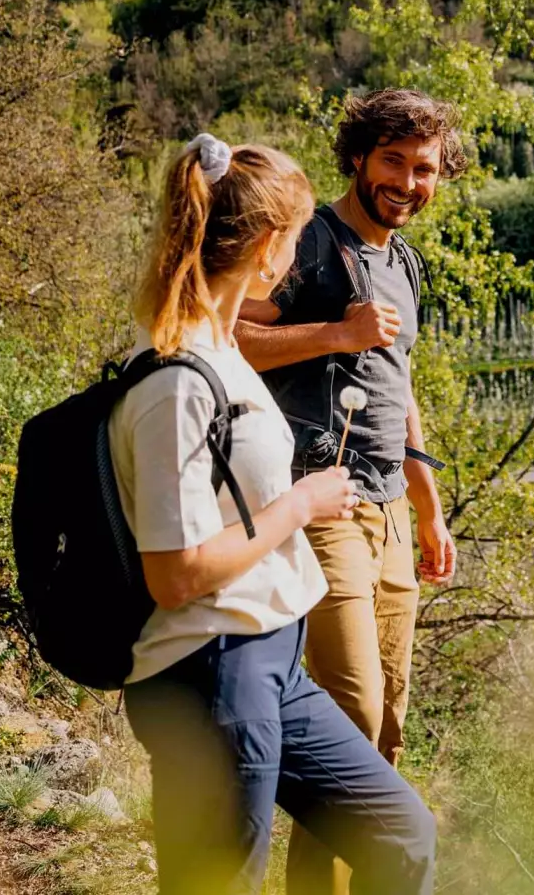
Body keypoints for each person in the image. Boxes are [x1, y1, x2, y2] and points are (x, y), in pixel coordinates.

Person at [114, 133, 437, 895]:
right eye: (294, 240)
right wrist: (302, 502)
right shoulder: (175, 377)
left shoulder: (219, 351)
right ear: (267, 247)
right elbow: (176, 574)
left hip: (271, 660)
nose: (298, 257)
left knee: (402, 836)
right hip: (209, 673)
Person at [237, 89, 462, 895]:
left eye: (424, 167)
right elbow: (225, 335)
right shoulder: (312, 244)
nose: (407, 180)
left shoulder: (403, 262)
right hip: (319, 502)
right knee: (351, 715)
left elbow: (398, 385)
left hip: (391, 512)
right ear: (359, 158)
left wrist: (427, 503)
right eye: (392, 161)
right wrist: (336, 332)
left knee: (387, 726)